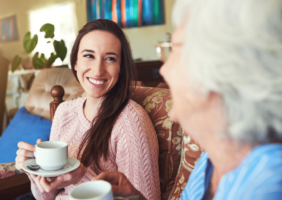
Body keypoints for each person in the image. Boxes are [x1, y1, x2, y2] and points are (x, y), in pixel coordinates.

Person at [93, 0, 282, 199]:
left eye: (173, 49)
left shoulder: (268, 187)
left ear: (219, 67)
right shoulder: (210, 161)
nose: (164, 70)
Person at [15, 19, 160, 200]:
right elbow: (47, 196)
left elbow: (144, 198)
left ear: (121, 69)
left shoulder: (131, 122)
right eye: (89, 56)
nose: (98, 70)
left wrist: (81, 175)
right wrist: (35, 170)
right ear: (75, 63)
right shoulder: (64, 112)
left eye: (110, 58)